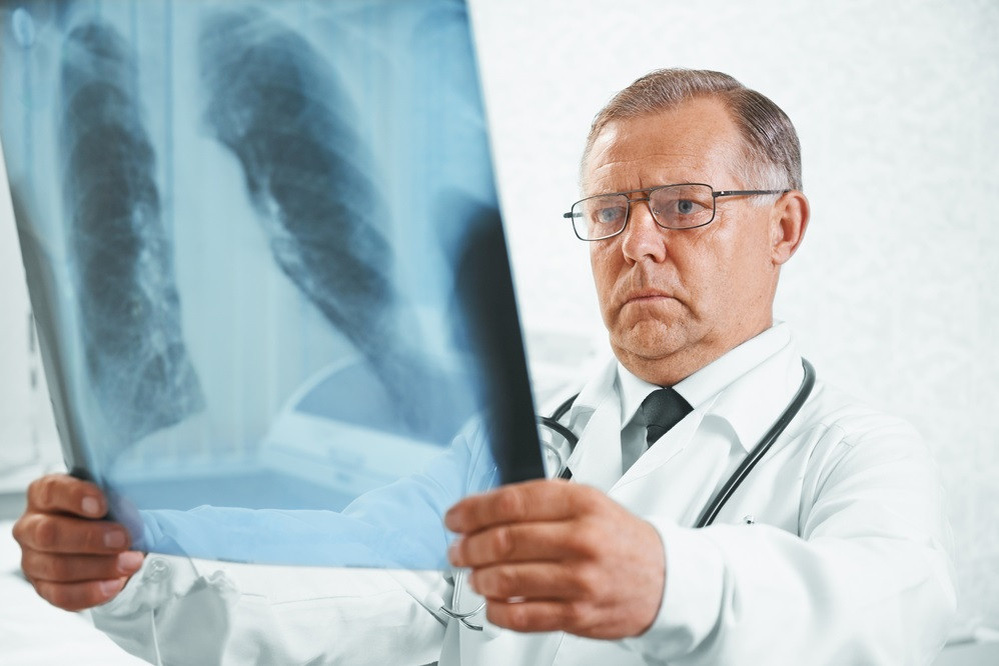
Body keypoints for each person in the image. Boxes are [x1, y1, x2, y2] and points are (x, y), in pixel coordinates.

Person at [12, 68, 957, 665]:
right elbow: (368, 570)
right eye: (608, 213)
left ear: (783, 226)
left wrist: (668, 579)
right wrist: (138, 559)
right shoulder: (519, 434)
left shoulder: (853, 449)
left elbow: (897, 612)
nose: (637, 245)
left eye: (683, 206)